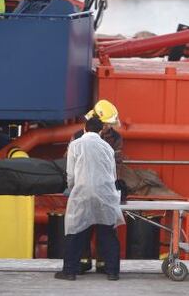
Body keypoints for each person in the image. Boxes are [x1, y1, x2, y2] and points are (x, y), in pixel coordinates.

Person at [55, 116, 125, 281]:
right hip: (105, 193)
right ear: (101, 131)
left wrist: (72, 189)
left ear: (85, 128)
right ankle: (113, 272)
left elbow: (71, 173)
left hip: (83, 192)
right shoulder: (107, 147)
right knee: (107, 232)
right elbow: (113, 174)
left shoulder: (76, 145)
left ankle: (69, 271)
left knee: (76, 231)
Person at [70, 99, 125, 274]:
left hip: (90, 188)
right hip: (91, 187)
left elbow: (117, 164)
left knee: (100, 228)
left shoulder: (114, 138)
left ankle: (102, 264)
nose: (109, 127)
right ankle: (85, 262)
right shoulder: (79, 137)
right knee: (88, 227)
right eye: (107, 124)